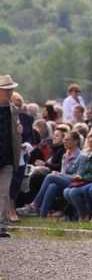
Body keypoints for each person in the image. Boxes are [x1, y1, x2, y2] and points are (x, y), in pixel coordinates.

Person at [17, 130, 84, 219]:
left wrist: (60, 175)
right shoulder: (65, 156)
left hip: (74, 184)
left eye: (68, 139)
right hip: (65, 182)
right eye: (64, 139)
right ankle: (42, 215)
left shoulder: (82, 157)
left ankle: (35, 205)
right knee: (52, 186)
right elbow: (63, 172)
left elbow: (78, 177)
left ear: (76, 141)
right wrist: (60, 175)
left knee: (50, 177)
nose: (65, 142)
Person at [0, 75, 22, 238]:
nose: (9, 93)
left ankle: (1, 225)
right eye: (6, 90)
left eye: (11, 90)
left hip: (7, 157)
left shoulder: (13, 110)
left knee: (4, 191)